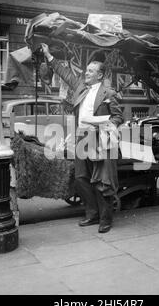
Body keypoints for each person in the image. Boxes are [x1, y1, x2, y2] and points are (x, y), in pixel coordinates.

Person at [41, 43, 124, 233]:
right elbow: (63, 72)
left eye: (91, 71)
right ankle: (92, 214)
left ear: (100, 75)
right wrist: (48, 54)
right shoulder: (80, 87)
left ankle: (105, 219)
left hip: (100, 139)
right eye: (87, 70)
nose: (86, 73)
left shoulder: (109, 93)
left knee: (102, 182)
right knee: (80, 178)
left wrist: (105, 123)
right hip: (82, 138)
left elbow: (118, 117)